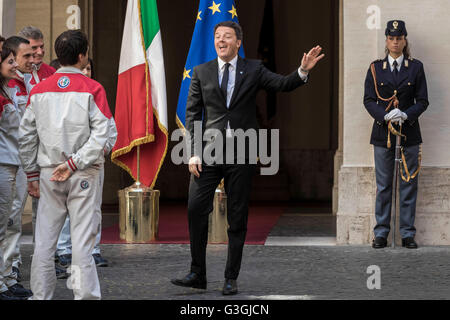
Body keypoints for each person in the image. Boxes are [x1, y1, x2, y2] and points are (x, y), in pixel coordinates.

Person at [171, 21, 324, 295]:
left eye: (227, 37)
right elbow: (193, 113)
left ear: (238, 42)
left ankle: (231, 277)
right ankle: (197, 273)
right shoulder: (201, 71)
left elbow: (282, 84)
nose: (221, 41)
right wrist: (192, 152)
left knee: (237, 216)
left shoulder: (254, 69)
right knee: (195, 208)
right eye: (217, 37)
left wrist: (302, 71)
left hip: (242, 152)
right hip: (208, 151)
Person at [19, 30, 114, 300]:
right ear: (83, 55)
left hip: (49, 171)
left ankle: (41, 296)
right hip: (82, 170)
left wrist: (32, 173)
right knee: (82, 241)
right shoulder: (92, 88)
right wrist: (74, 162)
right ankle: (84, 296)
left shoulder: (38, 90)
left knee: (45, 242)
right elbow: (102, 133)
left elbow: (26, 136)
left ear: (58, 56)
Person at [364, 20, 428, 249]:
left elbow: (423, 101)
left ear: (404, 40)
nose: (395, 42)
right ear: (387, 41)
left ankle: (407, 234)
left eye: (399, 38)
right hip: (383, 134)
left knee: (408, 183)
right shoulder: (375, 68)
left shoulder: (415, 67)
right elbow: (369, 100)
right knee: (383, 185)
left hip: (409, 132)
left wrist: (406, 114)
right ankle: (381, 232)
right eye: (391, 38)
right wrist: (385, 116)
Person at [55, 57, 116, 269]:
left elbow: (109, 127)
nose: (87, 71)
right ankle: (64, 249)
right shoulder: (61, 95)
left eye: (90, 68)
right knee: (64, 207)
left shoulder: (97, 92)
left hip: (92, 162)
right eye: (85, 67)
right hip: (64, 161)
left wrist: (103, 148)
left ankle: (93, 248)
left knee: (93, 207)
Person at [0, 44, 33, 300]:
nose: (15, 66)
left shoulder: (10, 89)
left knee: (11, 224)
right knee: (3, 224)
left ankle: (8, 277)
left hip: (15, 163)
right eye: (10, 61)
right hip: (4, 165)